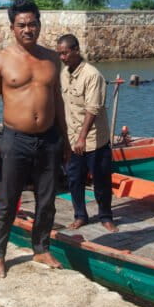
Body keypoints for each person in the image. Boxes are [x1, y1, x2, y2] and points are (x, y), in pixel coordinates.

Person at [0, 0, 70, 278]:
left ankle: (41, 249)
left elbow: (57, 99)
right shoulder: (0, 60)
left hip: (49, 138)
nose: (28, 29)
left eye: (33, 24)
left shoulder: (51, 59)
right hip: (15, 139)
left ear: (40, 25)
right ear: (12, 28)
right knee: (8, 199)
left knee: (47, 199)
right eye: (22, 25)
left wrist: (65, 138)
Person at [56, 34, 117, 233]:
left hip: (93, 139)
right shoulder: (64, 74)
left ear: (76, 50)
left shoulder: (92, 75)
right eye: (60, 54)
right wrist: (68, 138)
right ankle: (80, 215)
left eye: (65, 53)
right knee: (75, 179)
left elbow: (93, 109)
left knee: (101, 180)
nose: (62, 58)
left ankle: (106, 216)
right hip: (74, 138)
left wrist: (82, 137)